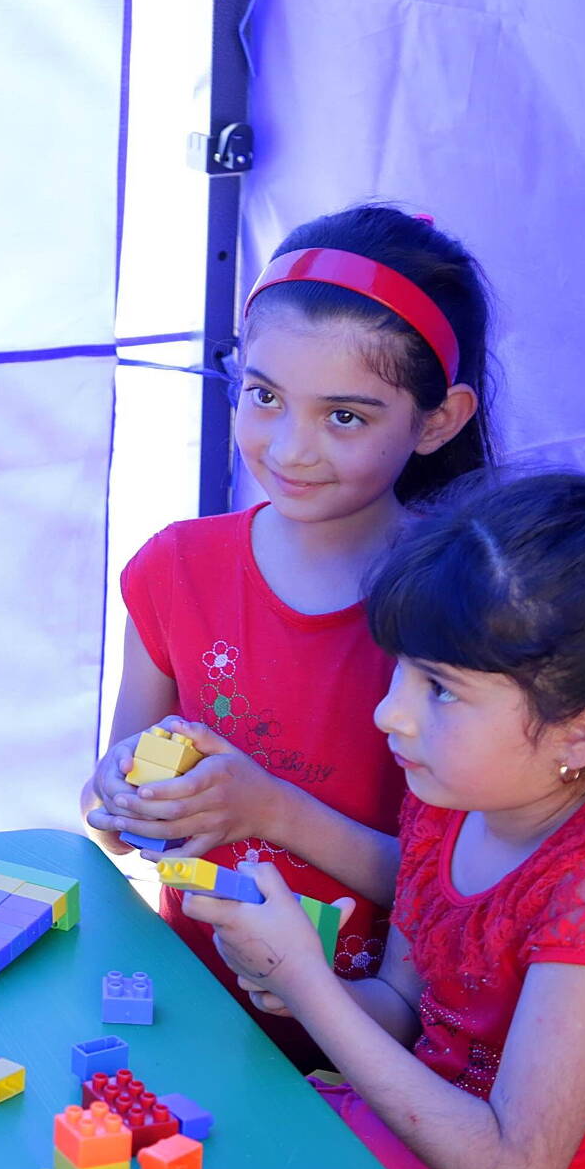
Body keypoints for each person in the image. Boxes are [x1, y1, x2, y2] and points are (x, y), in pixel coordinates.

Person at [189, 472, 585, 1169]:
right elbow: (410, 1009)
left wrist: (308, 985)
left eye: (440, 689)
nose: (391, 712)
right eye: (403, 670)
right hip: (426, 1163)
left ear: (583, 734)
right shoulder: (449, 798)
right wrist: (305, 979)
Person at [81, 204, 495, 1066]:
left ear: (439, 420)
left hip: (371, 1057)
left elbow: (466, 892)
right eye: (264, 397)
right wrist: (125, 793)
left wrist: (271, 808)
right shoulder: (175, 569)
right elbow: (110, 813)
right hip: (187, 1021)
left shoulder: (471, 613)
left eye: (344, 416)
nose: (291, 447)